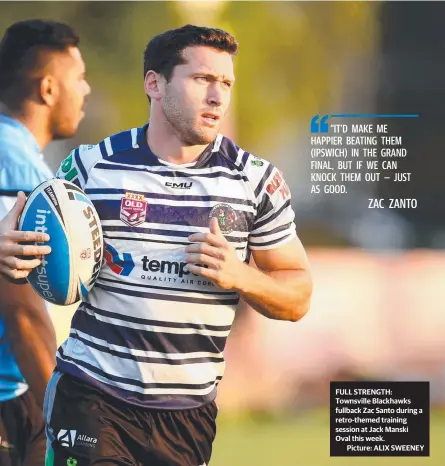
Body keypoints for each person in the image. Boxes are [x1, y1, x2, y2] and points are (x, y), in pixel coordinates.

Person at [2, 24, 312, 466]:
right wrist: (14, 253)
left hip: (187, 418)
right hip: (92, 396)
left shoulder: (255, 181)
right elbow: (32, 247)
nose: (217, 96)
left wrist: (240, 275)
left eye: (225, 83)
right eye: (202, 79)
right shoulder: (91, 168)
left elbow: (298, 294)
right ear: (154, 83)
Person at [0, 19, 90, 466]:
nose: (87, 90)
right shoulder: (15, 166)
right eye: (79, 77)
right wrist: (64, 422)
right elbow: (20, 313)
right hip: (7, 402)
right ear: (49, 89)